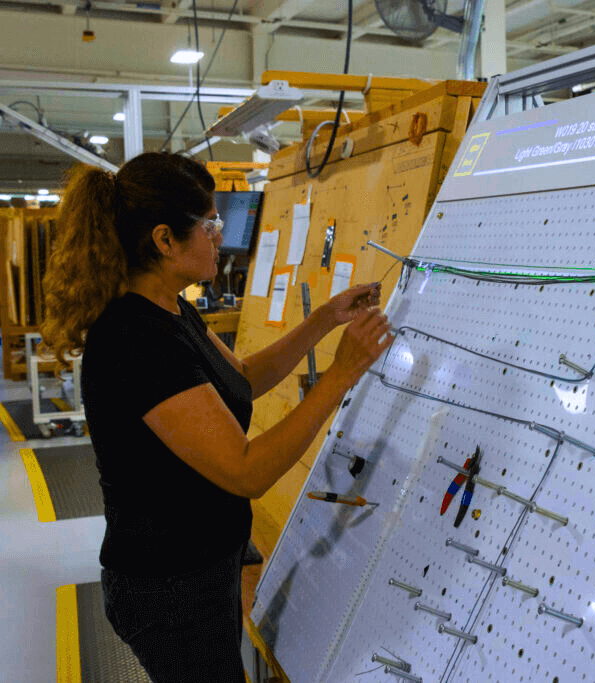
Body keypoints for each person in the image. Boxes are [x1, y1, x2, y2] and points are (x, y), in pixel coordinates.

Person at [41, 152, 394, 682]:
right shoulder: (136, 341)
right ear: (164, 240)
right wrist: (339, 376)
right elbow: (246, 470)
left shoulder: (172, 310)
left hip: (203, 570)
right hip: (168, 589)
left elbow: (245, 377)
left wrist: (325, 319)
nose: (219, 236)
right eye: (209, 225)